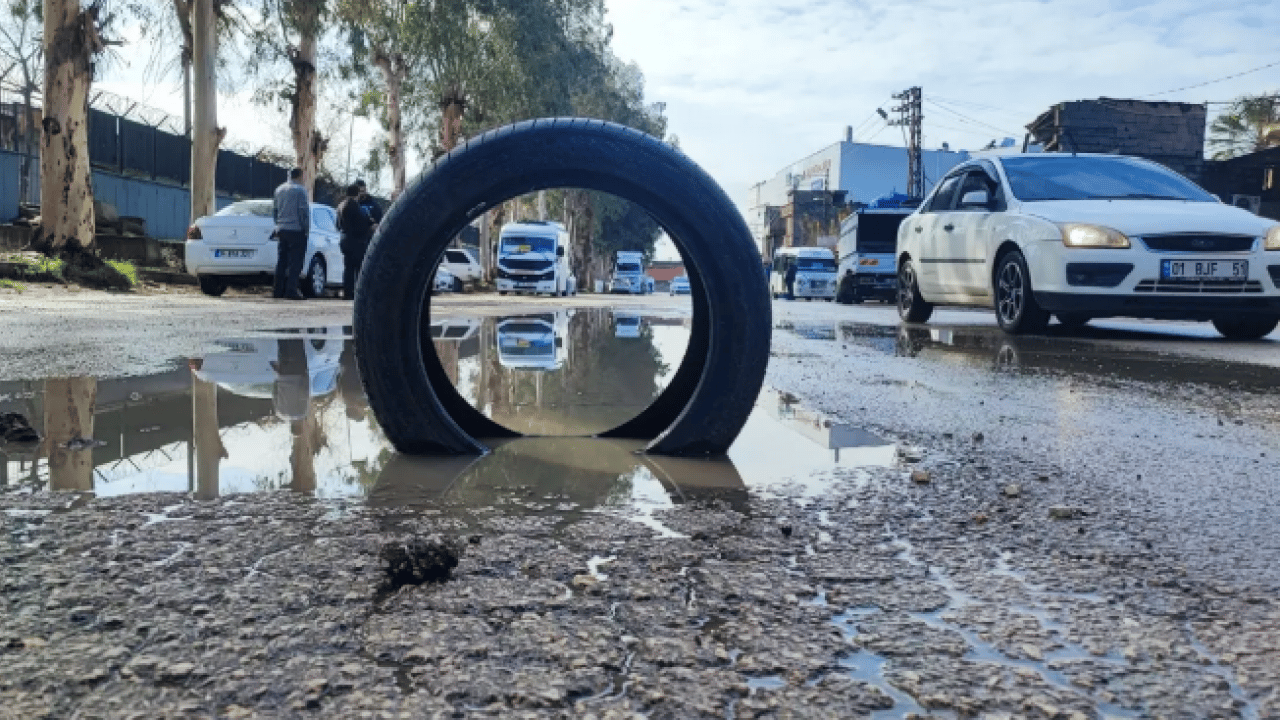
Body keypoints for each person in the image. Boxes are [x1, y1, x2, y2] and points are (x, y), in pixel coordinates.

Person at [273, 167, 310, 300]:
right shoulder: (301, 191)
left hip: (282, 229)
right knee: (296, 262)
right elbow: (303, 212)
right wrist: (306, 229)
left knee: (282, 261)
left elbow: (275, 210)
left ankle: (277, 290)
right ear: (300, 176)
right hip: (296, 230)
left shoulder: (279, 190)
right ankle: (291, 289)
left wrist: (277, 225)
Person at [336, 183, 374, 300]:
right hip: (355, 241)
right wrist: (369, 222)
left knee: (348, 267)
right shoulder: (353, 206)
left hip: (345, 239)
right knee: (358, 268)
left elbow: (337, 224)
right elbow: (360, 223)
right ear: (357, 193)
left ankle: (348, 291)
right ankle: (357, 292)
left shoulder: (341, 205)